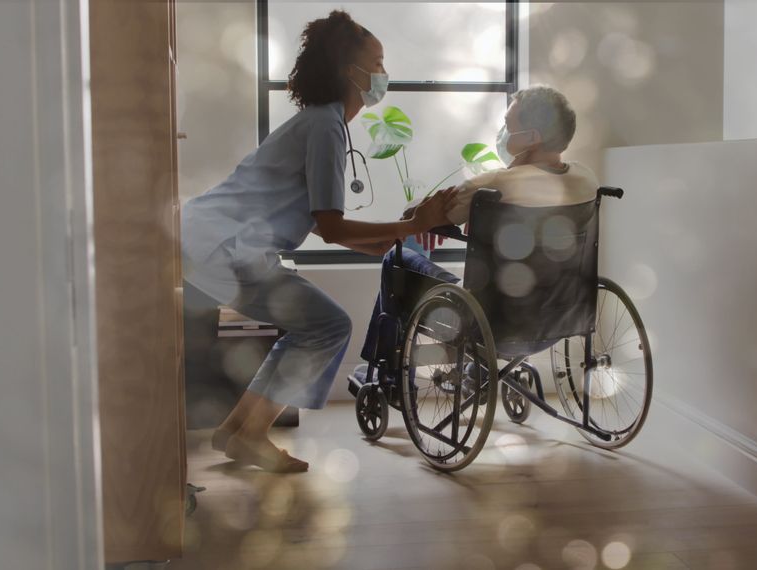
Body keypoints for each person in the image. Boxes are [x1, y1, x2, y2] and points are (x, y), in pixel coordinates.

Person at [181, 10, 453, 473]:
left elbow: (338, 232)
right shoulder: (325, 126)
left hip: (213, 243)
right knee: (327, 325)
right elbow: (332, 228)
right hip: (221, 249)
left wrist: (402, 237)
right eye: (379, 62)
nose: (385, 74)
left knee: (316, 322)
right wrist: (408, 226)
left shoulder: (321, 123)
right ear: (353, 72)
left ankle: (237, 431)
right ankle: (251, 435)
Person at [356, 85, 599, 372]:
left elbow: (428, 213)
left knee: (399, 256)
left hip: (493, 322)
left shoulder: (493, 185)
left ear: (532, 138)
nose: (503, 131)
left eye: (508, 124)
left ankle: (386, 368)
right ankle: (475, 368)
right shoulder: (587, 180)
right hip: (561, 317)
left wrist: (420, 214)